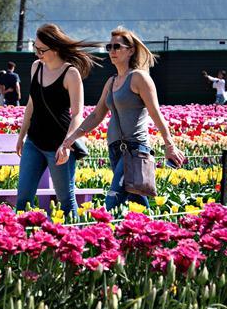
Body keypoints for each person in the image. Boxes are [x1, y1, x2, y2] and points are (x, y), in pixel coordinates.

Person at [61, 27, 186, 212]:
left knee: (113, 200)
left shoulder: (139, 78)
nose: (112, 51)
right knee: (137, 201)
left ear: (130, 50)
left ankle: (101, 235)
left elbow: (155, 113)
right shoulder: (111, 82)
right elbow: (97, 115)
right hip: (115, 149)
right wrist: (72, 137)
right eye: (109, 47)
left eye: (117, 47)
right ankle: (155, 236)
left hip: (134, 149)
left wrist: (169, 145)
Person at [15, 25, 100, 220]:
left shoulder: (70, 74)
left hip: (59, 145)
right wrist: (21, 136)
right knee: (23, 198)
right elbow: (31, 104)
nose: (38, 53)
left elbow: (77, 113)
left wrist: (67, 143)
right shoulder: (36, 67)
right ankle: (17, 242)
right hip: (33, 141)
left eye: (41, 49)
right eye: (36, 48)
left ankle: (75, 240)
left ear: (54, 48)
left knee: (65, 200)